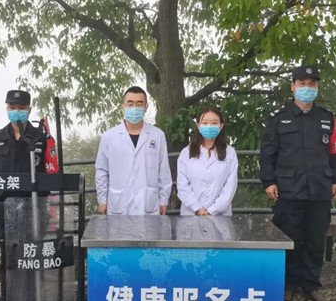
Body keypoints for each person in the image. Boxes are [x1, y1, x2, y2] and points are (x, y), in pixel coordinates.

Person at [259, 66, 336, 301]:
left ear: (317, 87)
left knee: (315, 240)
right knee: (290, 238)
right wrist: (268, 181)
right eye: (302, 83)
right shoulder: (278, 118)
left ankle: (310, 285)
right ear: (293, 87)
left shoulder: (327, 118)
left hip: (320, 189)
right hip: (288, 190)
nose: (307, 88)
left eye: (312, 84)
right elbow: (267, 153)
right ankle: (288, 285)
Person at [0, 89, 58, 301]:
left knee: (34, 256)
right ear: (7, 108)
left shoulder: (41, 138)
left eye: (21, 108)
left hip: (33, 208)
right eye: (13, 108)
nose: (17, 112)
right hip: (5, 210)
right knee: (8, 258)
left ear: (29, 109)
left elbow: (51, 172)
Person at [95, 86, 172, 215]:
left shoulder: (157, 135)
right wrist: (102, 200)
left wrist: (164, 200)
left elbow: (164, 170)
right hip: (118, 204)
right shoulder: (109, 137)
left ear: (146, 107)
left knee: (149, 229)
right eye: (130, 103)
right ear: (123, 106)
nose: (134, 108)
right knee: (119, 229)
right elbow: (102, 170)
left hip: (148, 204)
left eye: (139, 103)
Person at [177, 107, 238, 216]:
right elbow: (182, 186)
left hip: (220, 216)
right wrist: (197, 209)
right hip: (191, 214)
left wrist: (212, 211)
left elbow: (230, 187)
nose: (209, 126)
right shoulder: (186, 153)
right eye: (205, 123)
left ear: (221, 126)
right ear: (198, 125)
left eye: (214, 123)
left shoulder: (230, 153)